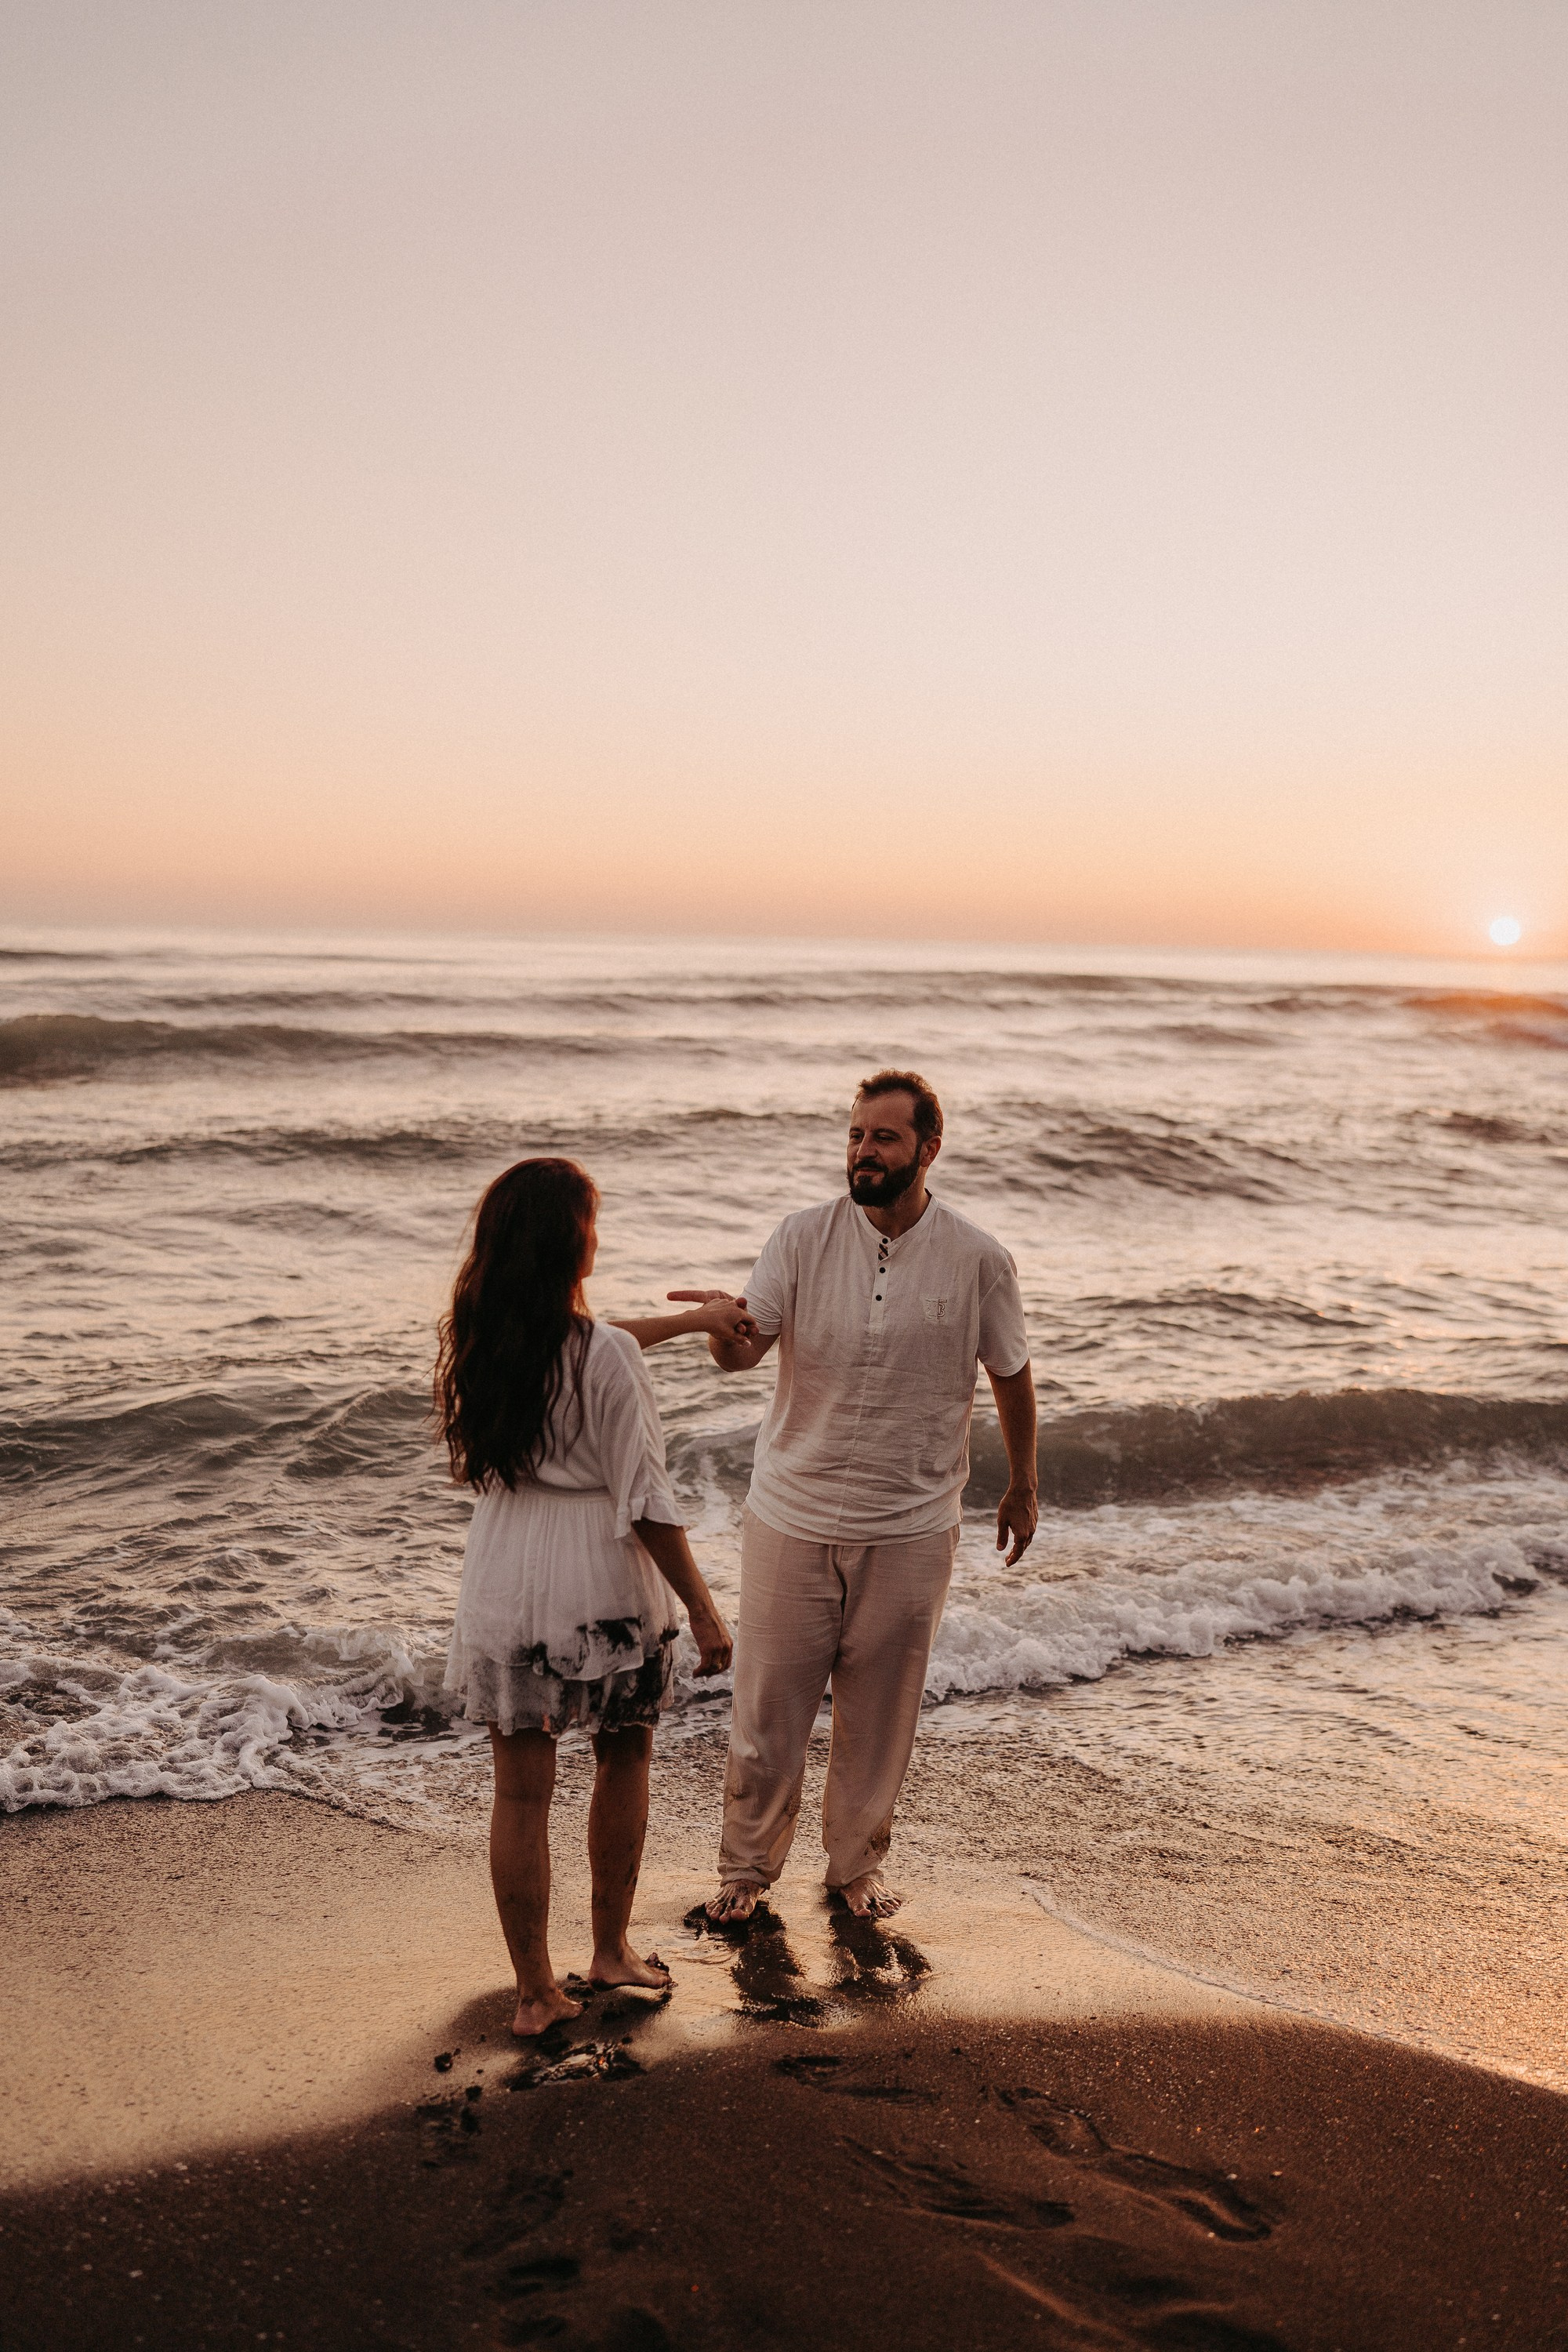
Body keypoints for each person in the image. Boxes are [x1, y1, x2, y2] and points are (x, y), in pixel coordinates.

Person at [671, 1070, 1038, 1924]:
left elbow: (1010, 1374)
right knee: (768, 1707)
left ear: (926, 1149)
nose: (862, 1152)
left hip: (911, 1523)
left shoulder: (977, 1257)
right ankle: (745, 1873)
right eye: (853, 1136)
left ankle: (853, 1871)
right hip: (790, 1511)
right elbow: (744, 1352)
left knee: (879, 1713)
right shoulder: (799, 1240)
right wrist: (716, 1328)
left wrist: (1022, 1484)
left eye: (882, 1138)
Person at [436, 1156, 741, 2037]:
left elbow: (596, 1343)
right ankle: (609, 1951)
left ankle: (533, 1993)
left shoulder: (482, 1336)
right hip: (598, 1577)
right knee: (623, 1754)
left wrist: (690, 1325)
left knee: (519, 1792)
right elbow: (644, 1500)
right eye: (592, 1218)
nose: (598, 1233)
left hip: (505, 1569)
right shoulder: (601, 1354)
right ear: (572, 1237)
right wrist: (705, 1608)